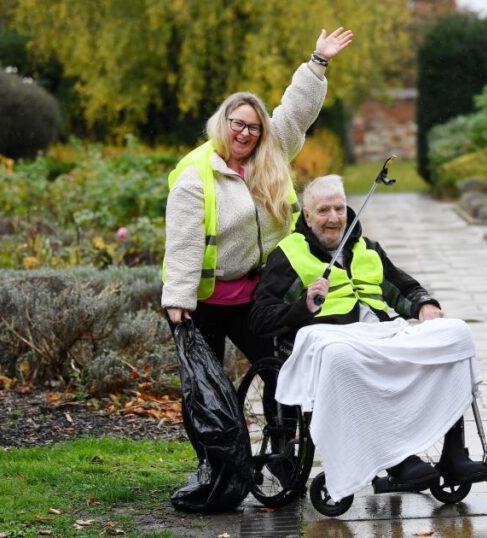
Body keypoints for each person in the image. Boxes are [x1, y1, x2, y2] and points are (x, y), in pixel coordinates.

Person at [161, 28, 352, 467]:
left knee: (281, 369)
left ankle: (283, 449)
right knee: (209, 388)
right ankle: (215, 465)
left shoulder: (272, 150)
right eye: (238, 124)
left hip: (255, 295)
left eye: (254, 126)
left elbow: (297, 111)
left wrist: (318, 61)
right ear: (223, 125)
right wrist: (178, 301)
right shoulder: (196, 175)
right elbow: (185, 243)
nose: (246, 134)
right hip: (205, 300)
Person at [249, 175, 487, 502]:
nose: (333, 218)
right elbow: (261, 318)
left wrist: (424, 305)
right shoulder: (288, 254)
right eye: (323, 211)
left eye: (338, 209)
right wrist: (302, 305)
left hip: (379, 333)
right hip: (326, 336)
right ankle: (396, 459)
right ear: (306, 216)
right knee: (342, 356)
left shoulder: (368, 249)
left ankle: (454, 452)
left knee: (456, 334)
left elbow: (403, 288)